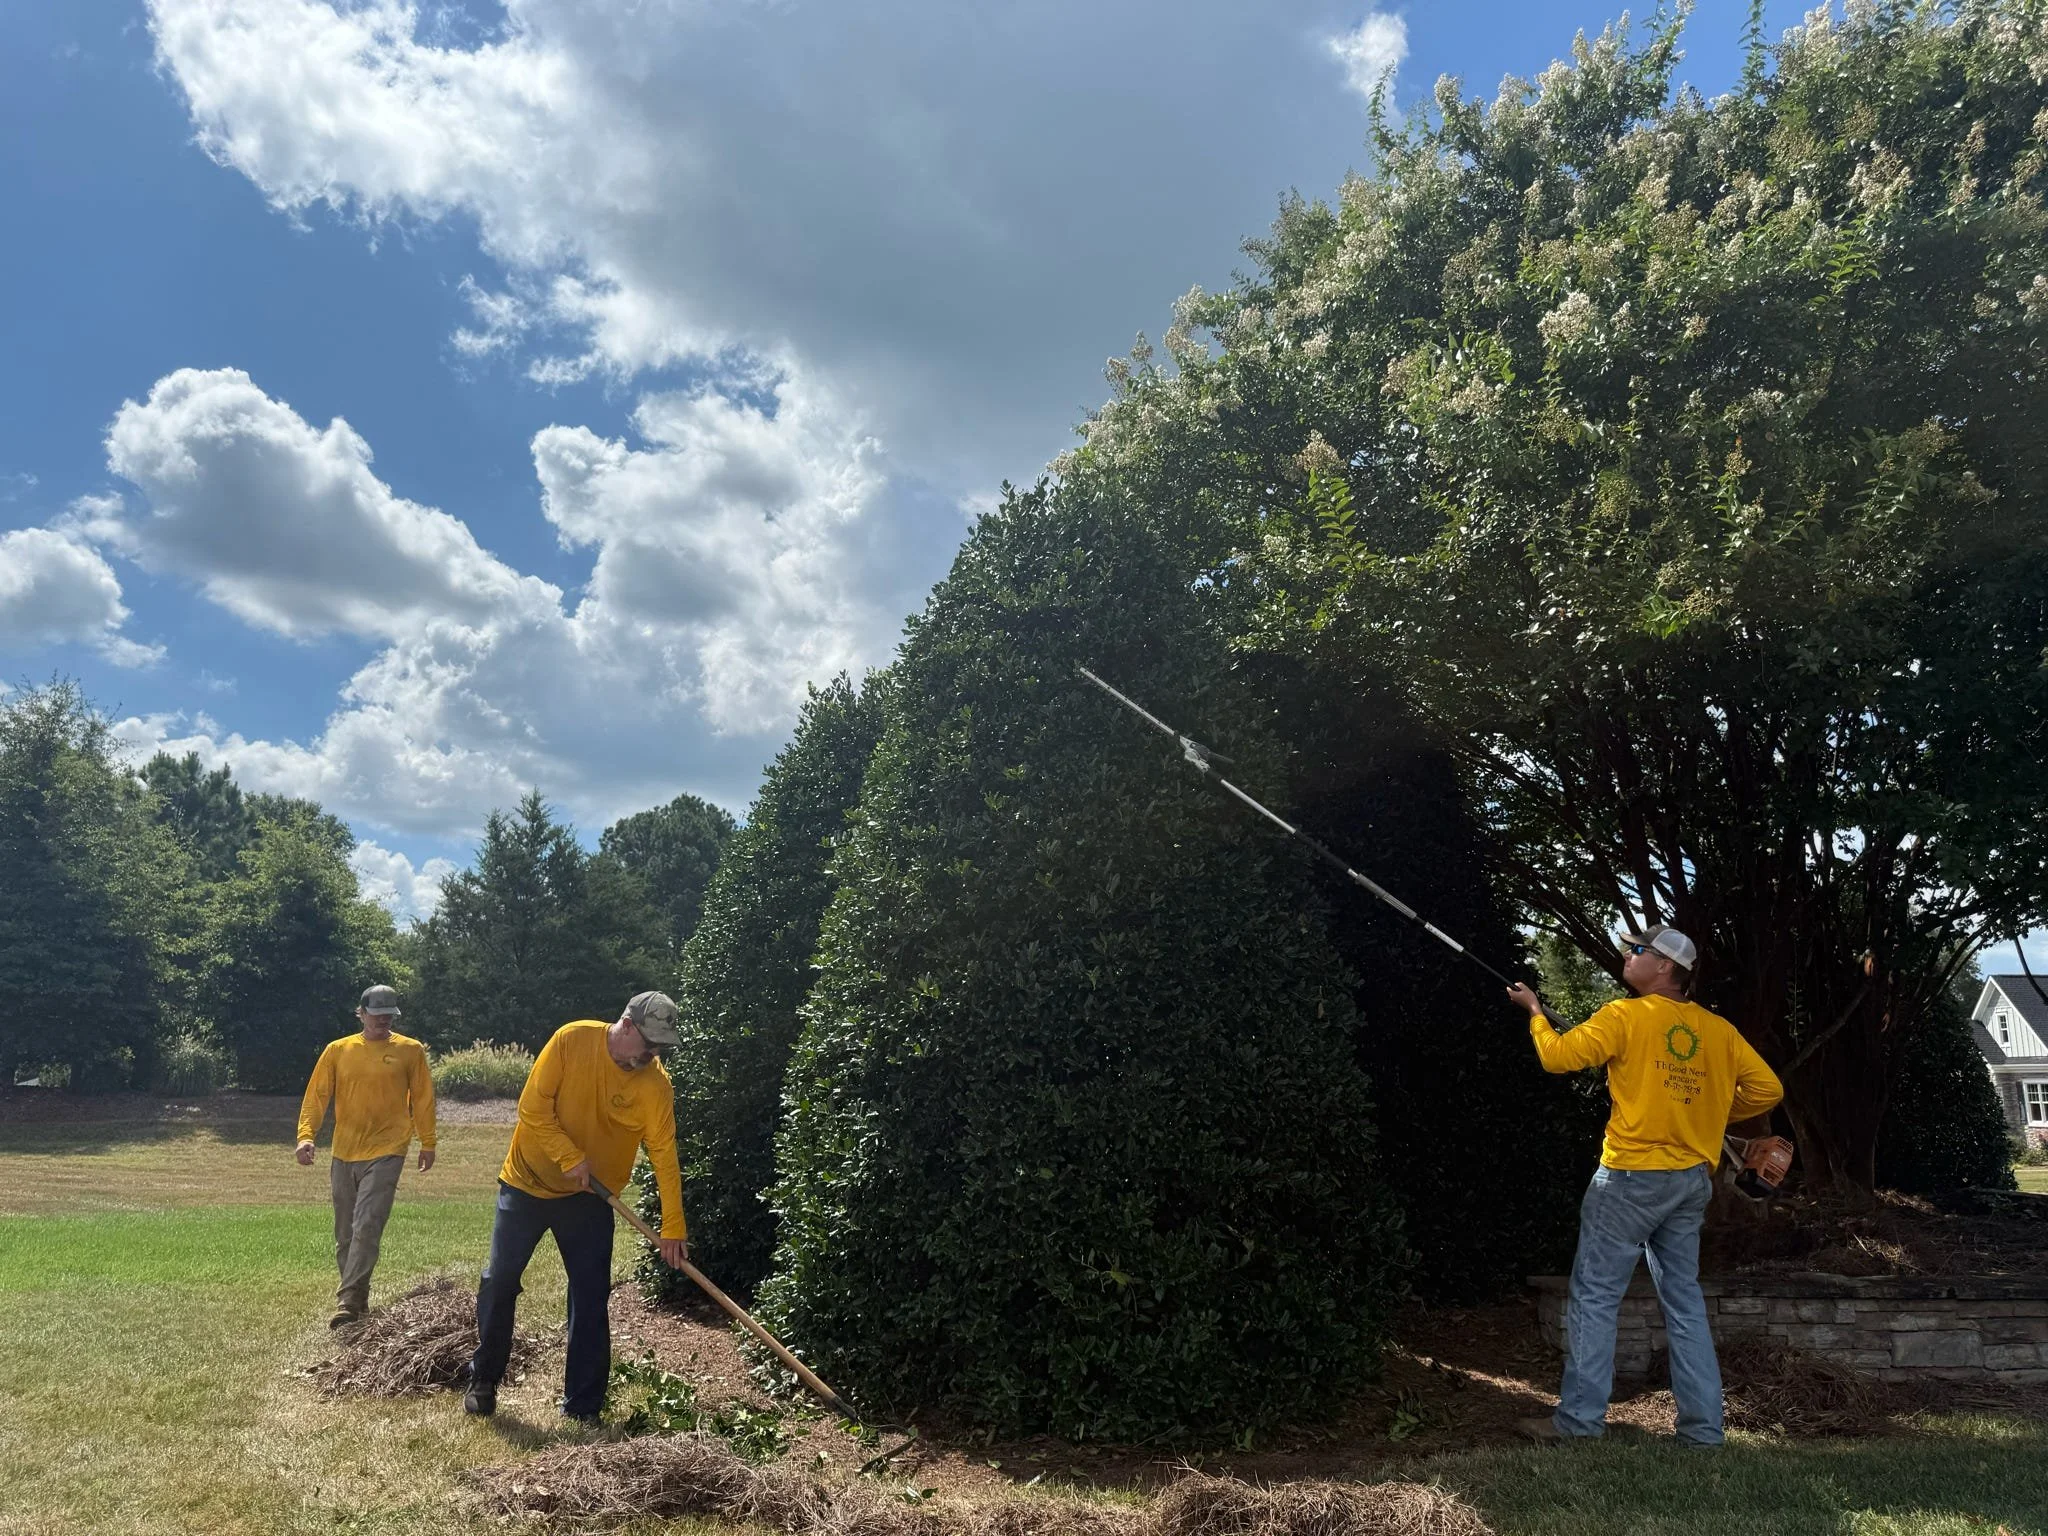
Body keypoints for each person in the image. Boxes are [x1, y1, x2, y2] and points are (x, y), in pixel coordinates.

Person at [1506, 924, 1783, 1448]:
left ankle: (1578, 1424)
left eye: (1638, 950)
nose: (1628, 956)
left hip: (1629, 1180)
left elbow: (1559, 1057)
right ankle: (1703, 1434)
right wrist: (1712, 1110)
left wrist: (1537, 1015)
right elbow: (1769, 1088)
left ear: (1664, 967)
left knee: (1594, 1297)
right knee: (1683, 1302)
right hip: (1688, 1185)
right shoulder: (1718, 1031)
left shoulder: (1624, 1016)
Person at [464, 991, 689, 1423]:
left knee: (590, 1298)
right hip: (526, 1183)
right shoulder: (572, 1040)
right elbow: (532, 1107)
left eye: (660, 1046)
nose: (654, 1053)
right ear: (626, 1025)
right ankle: (484, 1379)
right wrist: (569, 1156)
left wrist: (673, 1227)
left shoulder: (655, 1084)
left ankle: (583, 1407)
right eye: (650, 1043)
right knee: (499, 1280)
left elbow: (664, 1154)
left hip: (589, 1199)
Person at [296, 984, 437, 1327]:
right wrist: (305, 1136)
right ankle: (357, 1300)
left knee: (367, 1223)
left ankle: (349, 1299)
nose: (383, 1021)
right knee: (345, 1233)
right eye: (376, 1015)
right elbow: (317, 1096)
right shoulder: (338, 1050)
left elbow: (422, 1098)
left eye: (389, 1015)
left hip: (389, 1148)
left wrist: (428, 1141)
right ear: (361, 1013)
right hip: (345, 1151)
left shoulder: (410, 1050)